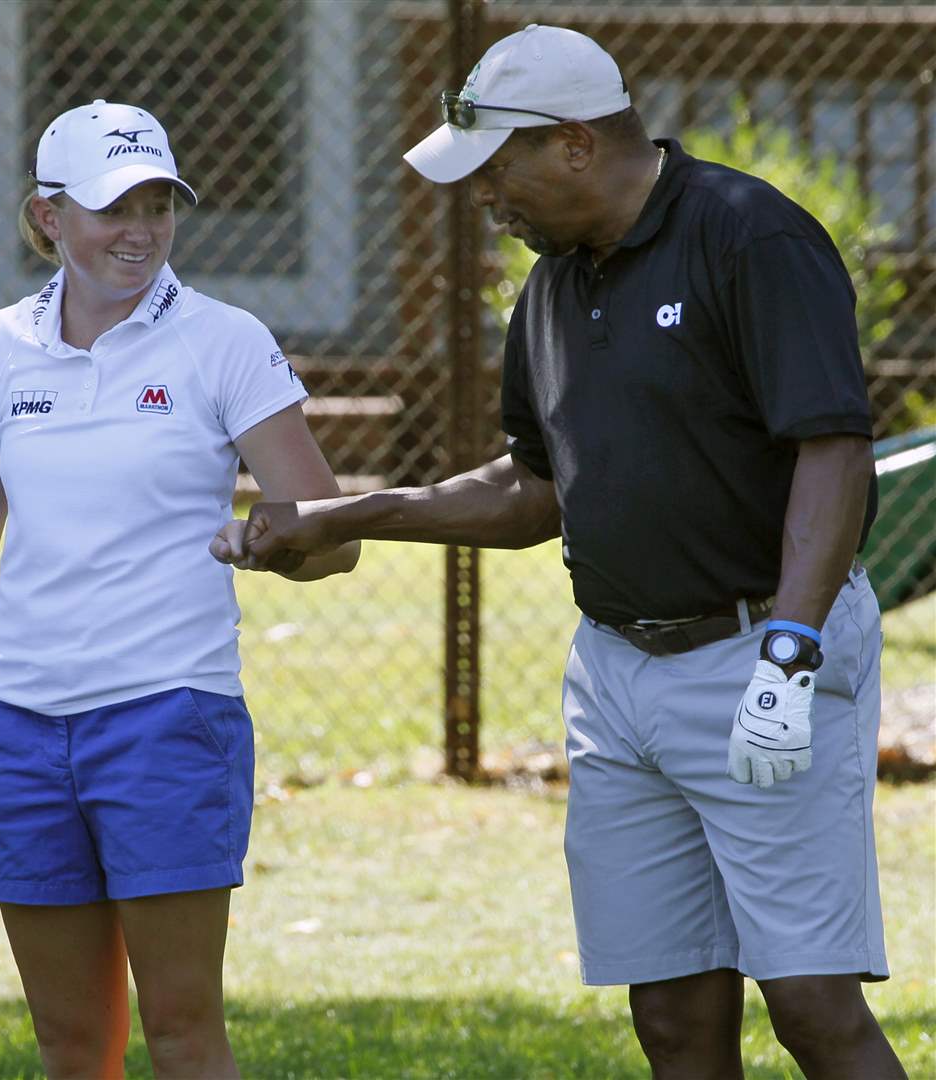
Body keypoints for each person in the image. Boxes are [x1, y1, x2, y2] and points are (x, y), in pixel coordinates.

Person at [215, 25, 906, 1080]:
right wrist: (346, 515)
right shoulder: (548, 292)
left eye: (499, 171)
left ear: (575, 143)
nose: (487, 201)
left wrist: (793, 650)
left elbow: (834, 447)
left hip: (759, 655)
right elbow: (533, 488)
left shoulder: (748, 236)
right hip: (618, 676)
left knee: (813, 1008)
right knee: (671, 1021)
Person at [0, 99, 359, 1079]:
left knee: (182, 1034)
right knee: (70, 1044)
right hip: (20, 728)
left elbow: (331, 534)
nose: (140, 230)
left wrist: (272, 543)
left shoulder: (225, 341)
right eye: (112, 207)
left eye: (157, 203)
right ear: (50, 215)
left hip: (168, 722)